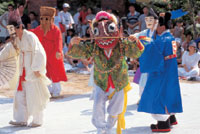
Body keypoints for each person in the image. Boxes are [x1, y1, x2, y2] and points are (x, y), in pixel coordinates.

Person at [68, 11, 144, 134]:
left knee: (116, 108)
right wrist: (72, 43)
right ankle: (100, 127)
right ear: (93, 32)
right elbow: (76, 53)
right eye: (98, 31)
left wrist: (135, 41)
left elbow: (136, 53)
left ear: (117, 30)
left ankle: (109, 126)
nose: (104, 36)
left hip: (118, 80)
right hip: (101, 80)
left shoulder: (121, 44)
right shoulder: (93, 46)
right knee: (98, 104)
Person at [0, 10, 50, 127]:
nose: (13, 33)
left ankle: (38, 120)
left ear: (21, 27)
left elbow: (39, 52)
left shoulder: (30, 36)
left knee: (34, 95)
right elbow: (9, 50)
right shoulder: (16, 39)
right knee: (20, 95)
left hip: (32, 70)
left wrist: (37, 67)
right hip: (22, 69)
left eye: (15, 29)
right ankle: (21, 118)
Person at [137, 12, 183, 132]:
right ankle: (171, 117)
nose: (155, 28)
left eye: (157, 26)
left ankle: (163, 124)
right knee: (169, 92)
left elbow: (151, 49)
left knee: (158, 94)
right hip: (170, 69)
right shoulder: (169, 37)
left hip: (162, 70)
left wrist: (140, 43)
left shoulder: (162, 39)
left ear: (162, 27)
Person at [30, 7, 67, 97]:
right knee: (45, 71)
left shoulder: (56, 29)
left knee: (55, 71)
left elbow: (59, 41)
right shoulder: (39, 29)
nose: (44, 21)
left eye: (46, 19)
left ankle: (57, 90)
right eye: (42, 19)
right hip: (43, 54)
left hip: (54, 54)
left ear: (51, 19)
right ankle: (48, 90)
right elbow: (31, 33)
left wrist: (58, 51)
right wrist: (22, 32)